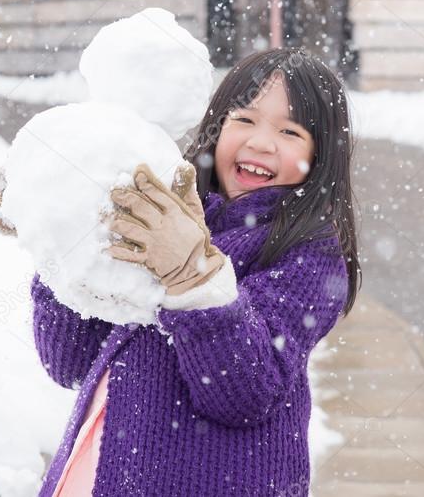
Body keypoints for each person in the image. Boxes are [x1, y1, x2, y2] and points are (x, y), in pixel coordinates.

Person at [29, 47, 361, 496]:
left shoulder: (308, 256)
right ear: (216, 126)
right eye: (244, 119)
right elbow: (70, 362)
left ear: (319, 156)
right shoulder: (164, 217)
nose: (261, 142)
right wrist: (59, 248)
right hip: (102, 471)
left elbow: (245, 391)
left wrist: (195, 280)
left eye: (289, 130)